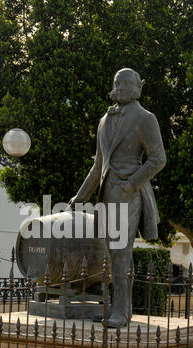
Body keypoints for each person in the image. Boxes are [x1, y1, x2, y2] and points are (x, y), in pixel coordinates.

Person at [69, 68, 166, 328]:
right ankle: (115, 308)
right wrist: (80, 196)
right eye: (117, 82)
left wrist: (132, 184)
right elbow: (99, 165)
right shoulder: (103, 120)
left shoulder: (146, 118)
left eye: (126, 83)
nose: (120, 86)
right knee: (112, 255)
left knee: (122, 252)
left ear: (137, 87)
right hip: (106, 194)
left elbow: (158, 159)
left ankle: (121, 313)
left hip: (130, 194)